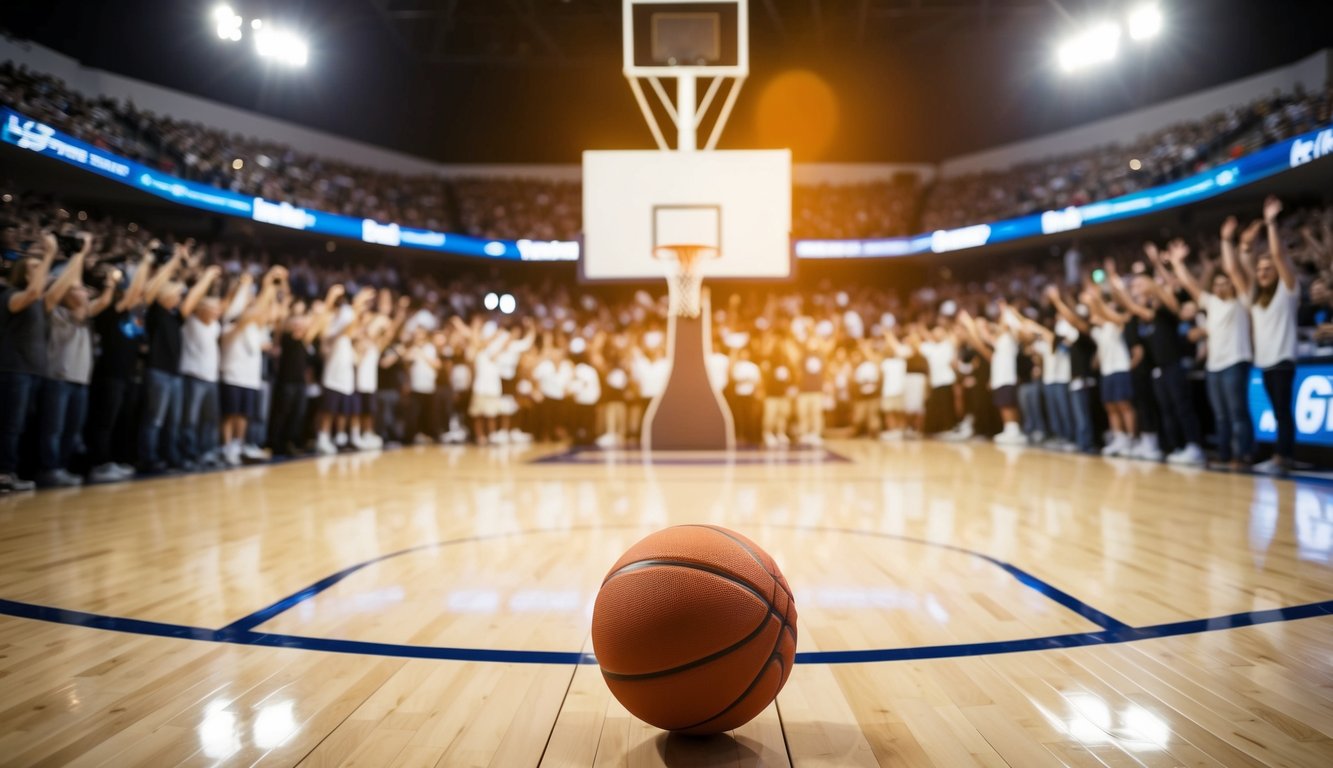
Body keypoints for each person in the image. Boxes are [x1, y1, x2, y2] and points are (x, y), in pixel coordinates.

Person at [1105, 249, 1206, 465]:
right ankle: (1177, 447)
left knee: (1182, 408)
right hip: (1157, 368)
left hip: (1173, 364)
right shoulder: (1145, 314)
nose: (1136, 290)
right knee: (1167, 411)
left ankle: (1194, 446)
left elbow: (1162, 301)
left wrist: (1120, 280)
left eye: (1139, 285)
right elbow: (1131, 307)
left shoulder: (1162, 312)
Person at [1166, 221, 1254, 469]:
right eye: (1216, 284)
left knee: (1237, 413)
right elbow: (1191, 285)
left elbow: (1234, 270)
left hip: (1236, 361)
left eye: (1224, 282)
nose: (1220, 286)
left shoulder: (1241, 301)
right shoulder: (1211, 303)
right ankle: (1225, 456)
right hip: (1214, 365)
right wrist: (1176, 263)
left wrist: (1226, 240)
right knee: (1222, 415)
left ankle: (1242, 455)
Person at [40, 239, 119, 486]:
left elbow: (104, 302)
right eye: (79, 288)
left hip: (80, 381)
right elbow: (58, 290)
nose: (85, 291)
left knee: (71, 431)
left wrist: (111, 284)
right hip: (58, 378)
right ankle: (48, 469)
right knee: (52, 429)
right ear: (66, 293)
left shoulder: (85, 316)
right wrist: (79, 256)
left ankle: (62, 468)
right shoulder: (55, 310)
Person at [1234, 196, 1299, 474]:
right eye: (1259, 270)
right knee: (1277, 412)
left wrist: (1271, 223)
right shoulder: (1255, 299)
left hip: (1283, 359)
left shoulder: (1288, 292)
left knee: (1283, 412)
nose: (1261, 272)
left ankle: (1283, 457)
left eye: (1266, 269)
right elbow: (1244, 264)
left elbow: (1279, 256)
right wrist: (1244, 244)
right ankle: (1279, 456)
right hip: (1266, 362)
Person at [219, 266, 284, 466]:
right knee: (230, 413)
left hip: (250, 376)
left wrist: (273, 289)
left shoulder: (255, 326)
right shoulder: (232, 319)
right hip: (232, 373)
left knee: (244, 414)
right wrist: (265, 286)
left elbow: (273, 314)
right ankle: (226, 446)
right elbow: (253, 310)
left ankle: (239, 445)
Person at [138, 244, 190, 473]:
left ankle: (170, 457)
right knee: (154, 420)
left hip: (173, 372)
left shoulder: (174, 315)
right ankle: (148, 459)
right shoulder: (156, 311)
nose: (179, 297)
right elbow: (153, 289)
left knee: (172, 422)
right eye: (176, 294)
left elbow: (186, 294)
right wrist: (172, 263)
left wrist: (181, 264)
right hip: (158, 370)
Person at [1083, 278, 1140, 458]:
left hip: (1120, 368)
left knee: (1124, 406)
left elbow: (1108, 315)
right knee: (1110, 407)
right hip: (1107, 371)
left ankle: (1131, 439)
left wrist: (1097, 298)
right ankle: (1119, 438)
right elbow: (1094, 316)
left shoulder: (1117, 323)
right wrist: (1092, 299)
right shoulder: (1100, 329)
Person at [177, 265, 224, 470]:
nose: (216, 311)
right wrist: (206, 277)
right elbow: (190, 302)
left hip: (211, 379)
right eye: (211, 308)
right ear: (200, 308)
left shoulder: (214, 325)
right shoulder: (191, 321)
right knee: (190, 421)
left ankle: (207, 453)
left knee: (210, 420)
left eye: (216, 308)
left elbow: (225, 305)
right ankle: (188, 455)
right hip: (193, 376)